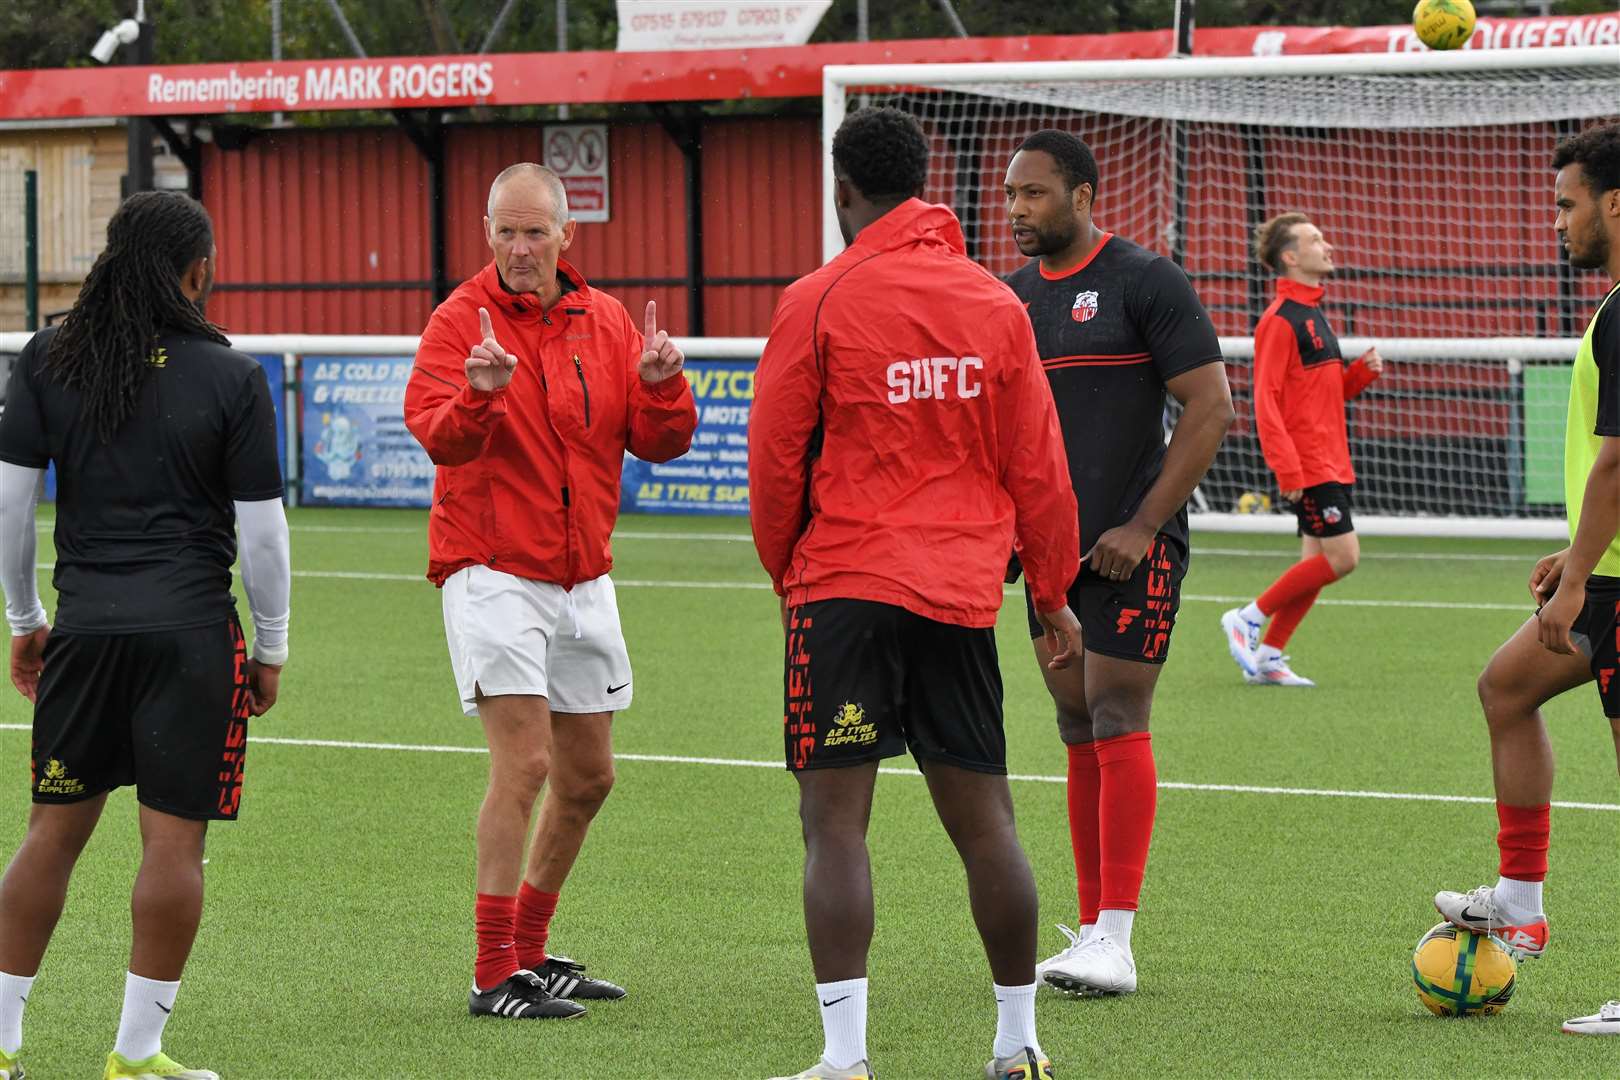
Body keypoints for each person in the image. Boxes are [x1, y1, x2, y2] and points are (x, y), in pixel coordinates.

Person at [751, 107, 1082, 1080]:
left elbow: (775, 465)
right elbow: (1041, 468)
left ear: (841, 190)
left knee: (835, 824)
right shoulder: (993, 303)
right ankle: (1018, 1042)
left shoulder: (817, 298)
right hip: (959, 598)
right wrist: (1052, 589)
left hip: (843, 589)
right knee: (988, 824)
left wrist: (789, 578)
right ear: (927, 181)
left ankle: (846, 1058)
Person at [0, 191, 290, 1080]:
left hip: (84, 634)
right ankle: (135, 1053)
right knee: (174, 846)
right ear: (197, 272)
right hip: (194, 638)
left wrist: (25, 621)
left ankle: (1, 1044)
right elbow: (266, 535)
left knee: (51, 833)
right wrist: (270, 645)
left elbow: (11, 509)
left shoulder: (47, 357)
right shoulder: (232, 375)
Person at [404, 163, 696, 1021]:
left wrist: (662, 381)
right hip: (490, 567)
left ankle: (530, 951)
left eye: (536, 232)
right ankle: (493, 972)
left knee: (590, 777)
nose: (521, 248)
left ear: (568, 235)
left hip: (583, 576)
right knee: (526, 763)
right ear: (486, 233)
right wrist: (479, 397)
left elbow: (660, 441)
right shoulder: (459, 322)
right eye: (506, 232)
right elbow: (438, 438)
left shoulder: (604, 321)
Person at [1001, 130, 1233, 997]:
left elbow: (1210, 407)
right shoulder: (1011, 299)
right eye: (1012, 196)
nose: (1019, 210)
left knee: (1115, 709)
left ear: (1085, 194)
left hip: (1135, 545)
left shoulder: (1145, 279)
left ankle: (1119, 937)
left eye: (1036, 194)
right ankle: (1093, 928)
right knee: (1072, 723)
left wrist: (1143, 523)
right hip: (1050, 551)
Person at [1430, 122, 1620, 1038]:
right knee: (1506, 687)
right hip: (1608, 572)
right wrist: (1576, 552)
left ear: (1614, 204)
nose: (1559, 222)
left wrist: (1579, 574)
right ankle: (1519, 900)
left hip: (1616, 584)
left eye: (1567, 203)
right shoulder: (1612, 306)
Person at [1219, 213, 1385, 687]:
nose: (1327, 245)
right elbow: (1264, 400)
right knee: (1343, 558)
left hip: (1331, 459)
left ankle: (1269, 656)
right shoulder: (1278, 321)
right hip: (1310, 464)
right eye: (1316, 240)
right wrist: (1286, 470)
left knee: (1314, 566)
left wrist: (1360, 374)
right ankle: (1247, 617)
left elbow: (1325, 394)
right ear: (1291, 257)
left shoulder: (1313, 312)